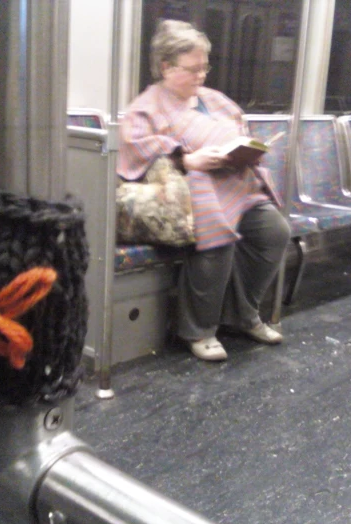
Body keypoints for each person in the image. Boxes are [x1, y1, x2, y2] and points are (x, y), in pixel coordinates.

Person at [117, 19, 291, 361]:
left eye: (204, 68)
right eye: (193, 69)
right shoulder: (146, 107)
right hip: (188, 190)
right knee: (217, 235)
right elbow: (135, 152)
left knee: (274, 232)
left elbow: (237, 127)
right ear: (166, 67)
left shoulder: (214, 100)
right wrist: (188, 159)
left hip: (234, 183)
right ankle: (199, 330)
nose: (201, 76)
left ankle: (242, 314)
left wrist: (243, 151)